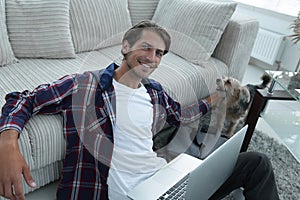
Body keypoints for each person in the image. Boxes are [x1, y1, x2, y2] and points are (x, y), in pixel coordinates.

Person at [0, 20, 279, 200]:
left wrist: (213, 101)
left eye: (159, 53)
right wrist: (7, 144)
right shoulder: (85, 84)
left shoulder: (154, 91)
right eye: (146, 48)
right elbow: (24, 99)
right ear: (125, 46)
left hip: (162, 182)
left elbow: (181, 114)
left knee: (256, 163)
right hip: (118, 193)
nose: (152, 58)